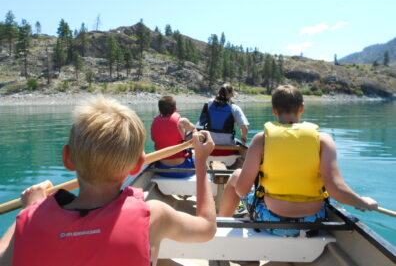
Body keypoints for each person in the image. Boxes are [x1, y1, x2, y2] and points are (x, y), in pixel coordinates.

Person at [0, 96, 216, 266]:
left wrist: (29, 211)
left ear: (67, 158)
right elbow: (207, 228)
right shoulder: (154, 216)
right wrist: (201, 162)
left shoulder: (30, 221)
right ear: (138, 164)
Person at [219, 85, 378, 236]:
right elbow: (336, 189)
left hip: (271, 221)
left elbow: (242, 189)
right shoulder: (323, 140)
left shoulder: (261, 139)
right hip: (313, 222)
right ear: (302, 107)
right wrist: (363, 202)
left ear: (274, 110)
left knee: (236, 175)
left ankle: (221, 229)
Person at [151, 95, 196, 177]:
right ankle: (208, 178)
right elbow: (194, 129)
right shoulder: (182, 121)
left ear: (159, 110)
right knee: (199, 156)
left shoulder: (154, 121)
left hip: (161, 169)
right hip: (183, 169)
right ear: (175, 109)